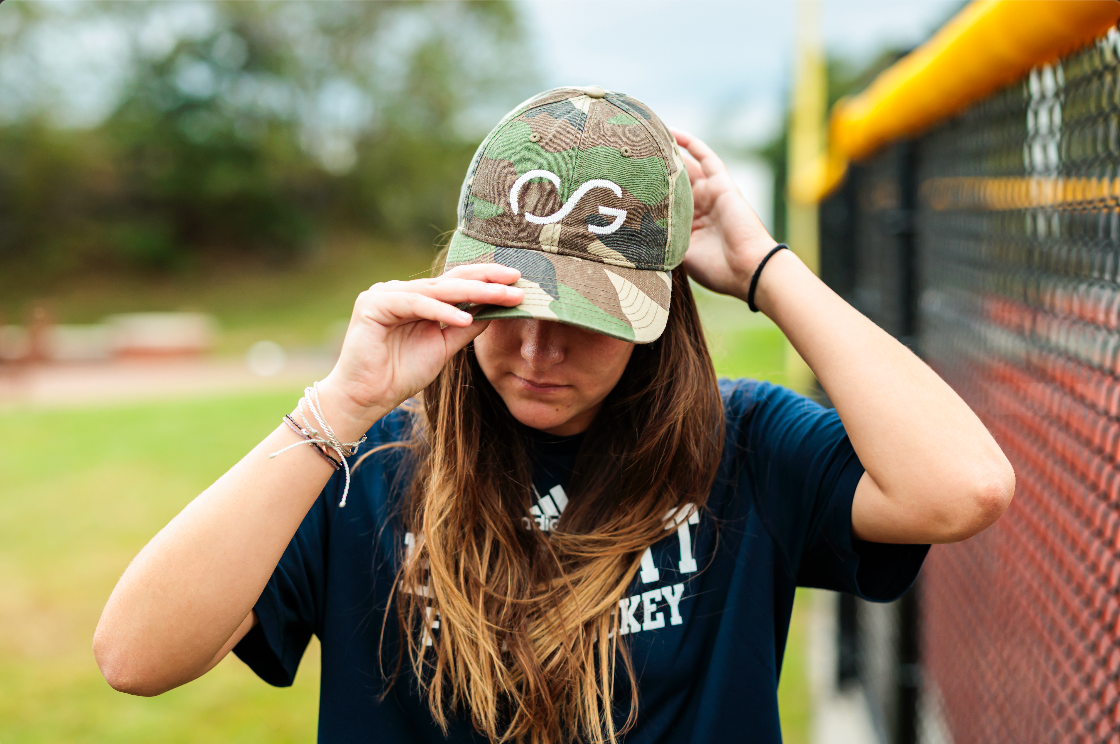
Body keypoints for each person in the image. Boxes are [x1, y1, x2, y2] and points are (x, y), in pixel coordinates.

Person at [93, 86, 1014, 744]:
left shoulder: (743, 446)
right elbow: (135, 657)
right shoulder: (366, 465)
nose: (537, 355)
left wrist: (768, 271)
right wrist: (341, 403)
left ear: (659, 320)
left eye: (587, 324)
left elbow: (963, 489)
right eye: (511, 312)